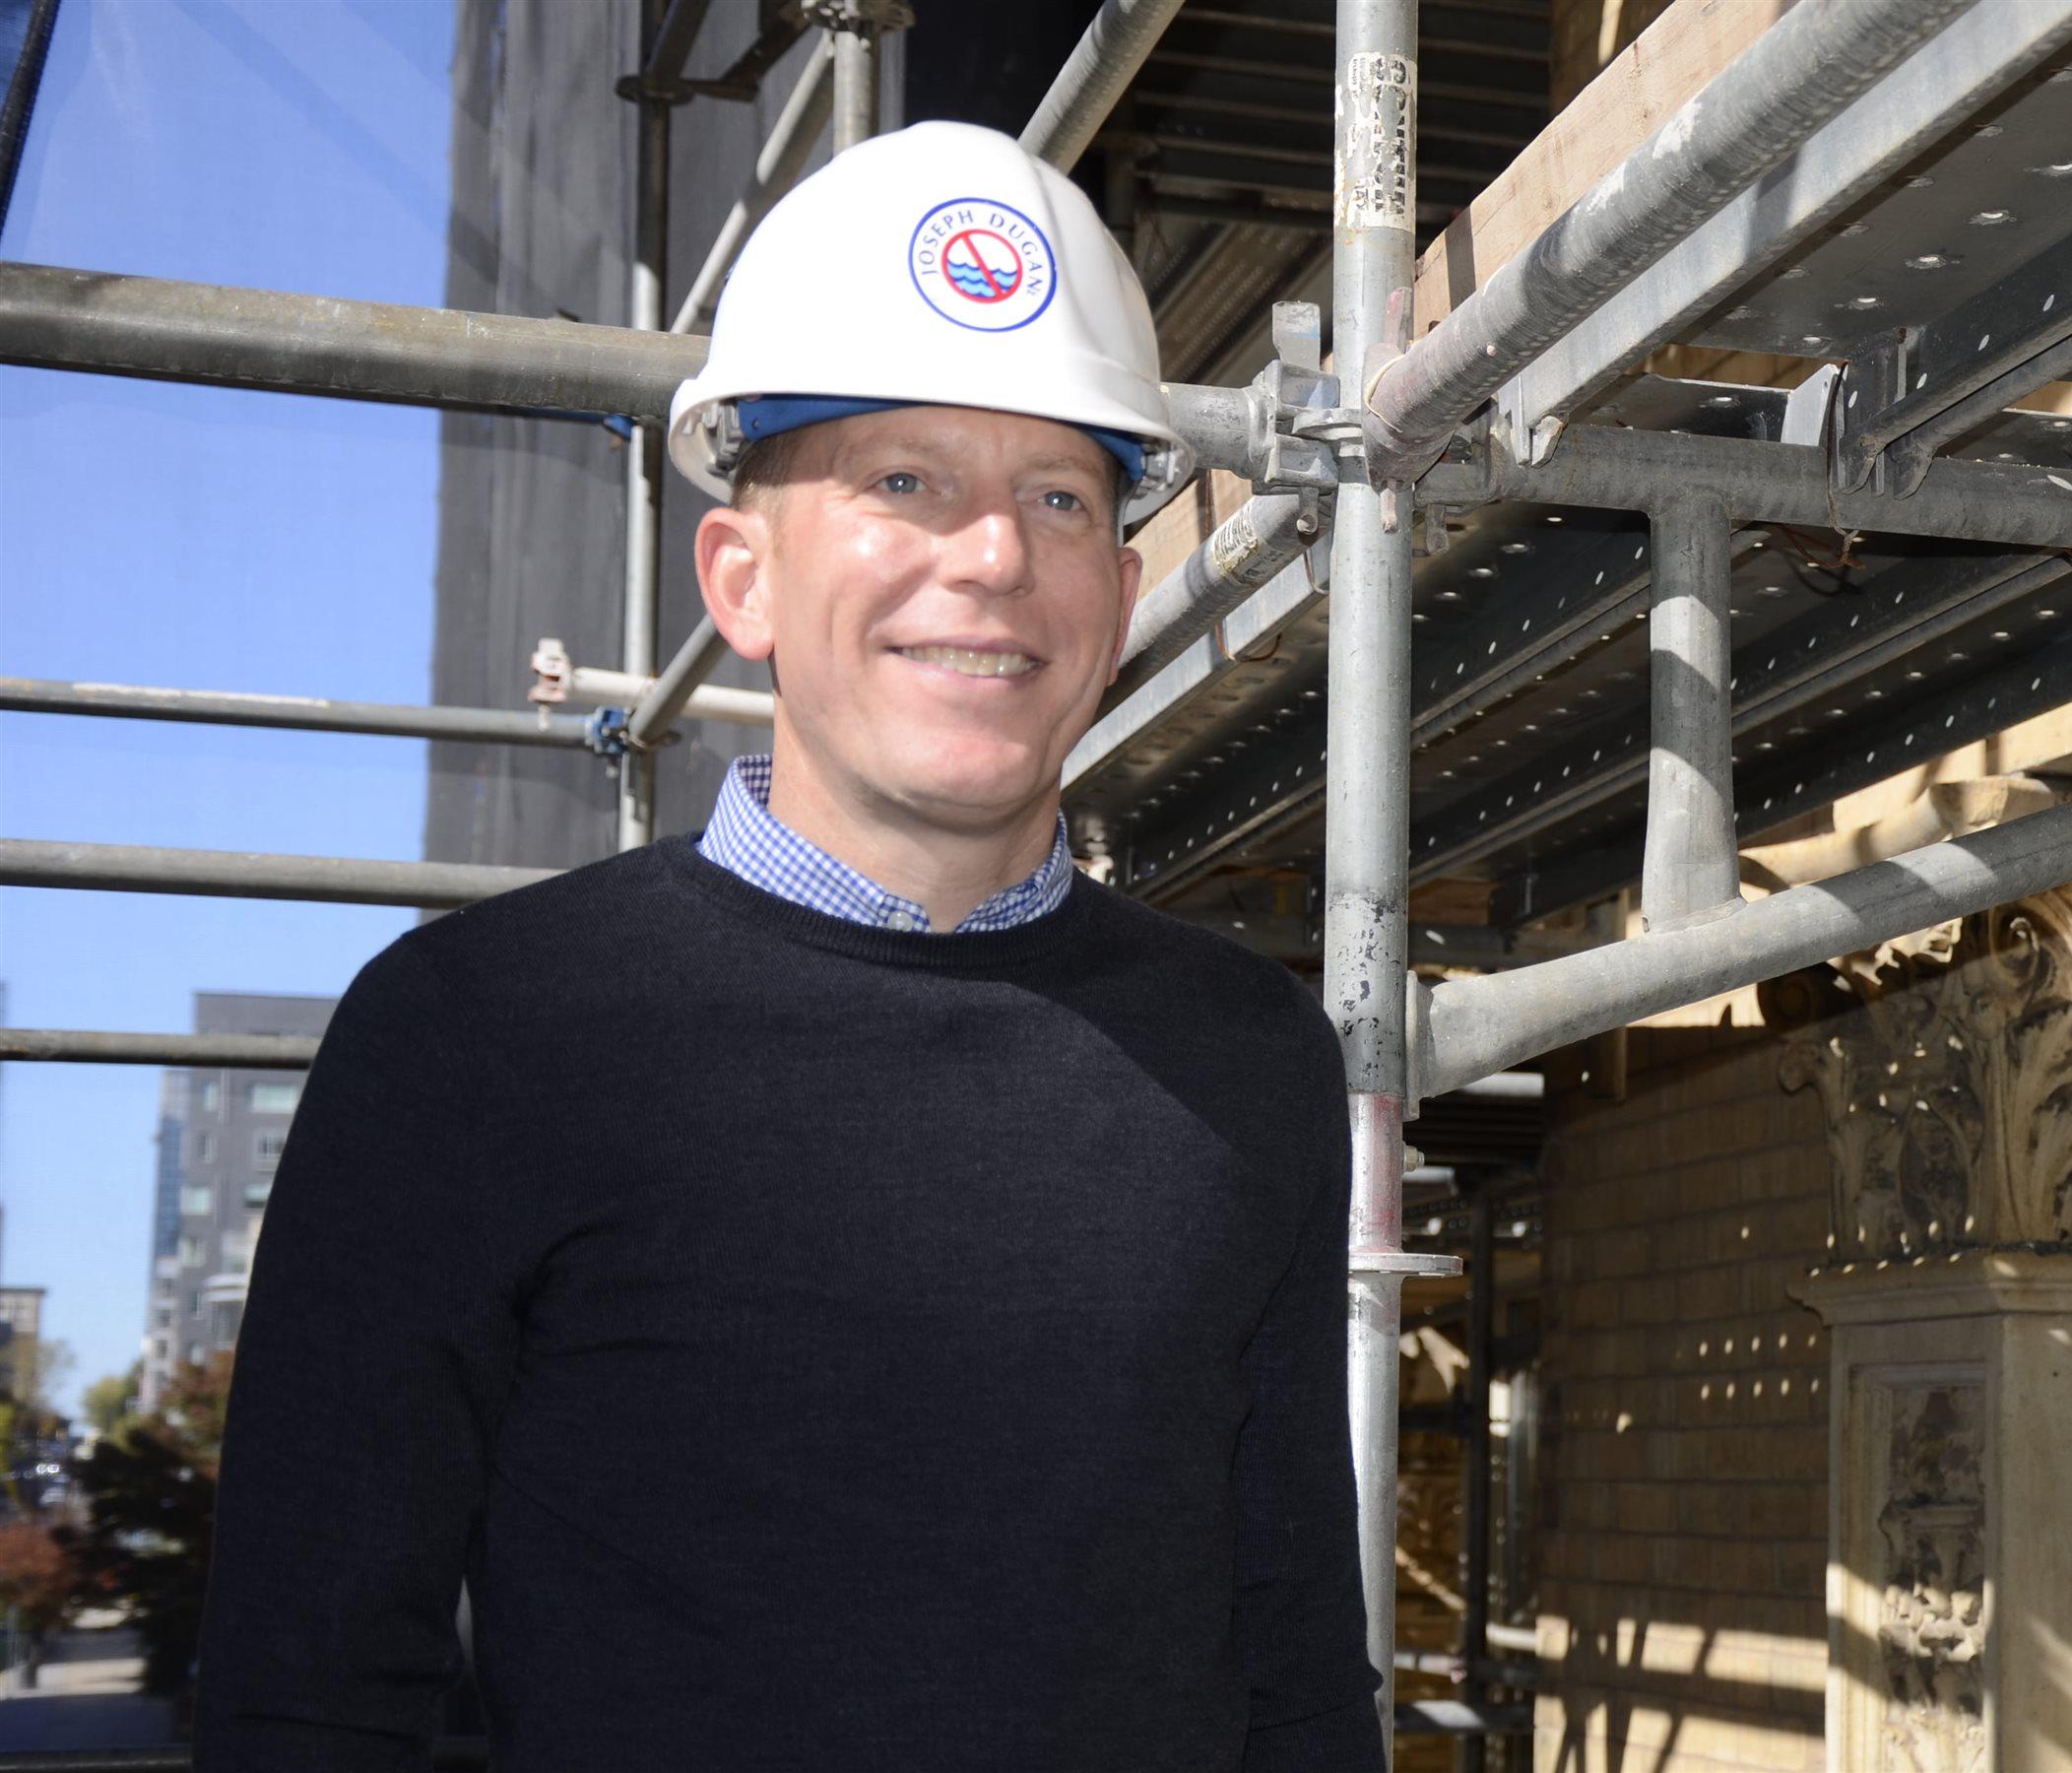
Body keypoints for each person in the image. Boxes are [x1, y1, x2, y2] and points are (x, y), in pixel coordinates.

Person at [195, 121, 1381, 1770]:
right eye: (906, 481)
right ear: (739, 578)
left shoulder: (1246, 1057)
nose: (992, 557)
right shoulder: (480, 1036)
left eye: (1058, 495)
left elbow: (1300, 1664)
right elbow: (308, 1687)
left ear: (1115, 602)